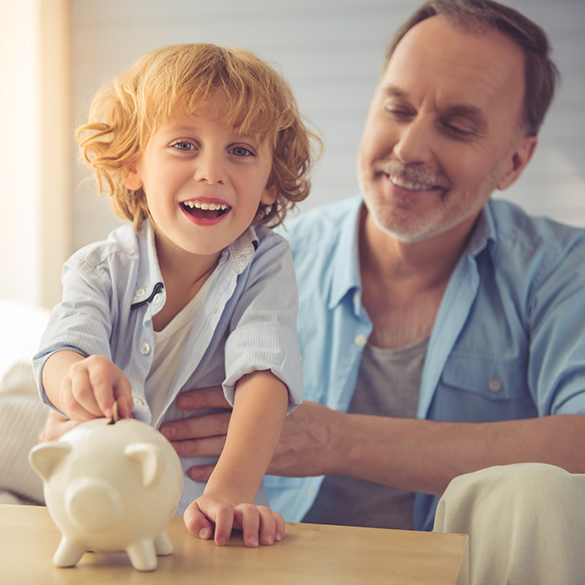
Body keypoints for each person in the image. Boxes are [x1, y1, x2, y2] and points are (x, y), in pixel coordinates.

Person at [147, 1, 585, 582]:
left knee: (538, 490)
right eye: (396, 108)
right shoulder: (256, 262)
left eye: (456, 126)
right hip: (267, 568)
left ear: (515, 161)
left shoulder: (560, 270)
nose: (407, 149)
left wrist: (337, 438)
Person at [33, 43, 320, 548]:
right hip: (103, 511)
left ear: (271, 182)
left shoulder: (266, 265)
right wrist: (76, 379)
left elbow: (265, 374)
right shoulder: (99, 268)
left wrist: (229, 491)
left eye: (241, 150)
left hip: (213, 522)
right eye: (185, 145)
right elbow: (61, 350)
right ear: (133, 166)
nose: (212, 170)